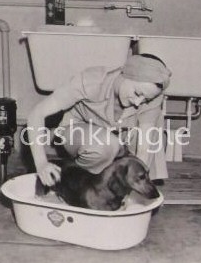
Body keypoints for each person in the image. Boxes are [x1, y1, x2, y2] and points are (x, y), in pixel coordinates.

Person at [26, 53, 172, 186]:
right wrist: (41, 164)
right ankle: (79, 177)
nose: (138, 102)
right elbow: (37, 113)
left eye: (145, 99)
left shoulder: (152, 96)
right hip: (81, 130)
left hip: (123, 134)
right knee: (106, 145)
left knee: (153, 128)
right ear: (126, 75)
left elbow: (144, 150)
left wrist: (133, 190)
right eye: (137, 93)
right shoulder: (91, 80)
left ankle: (117, 173)